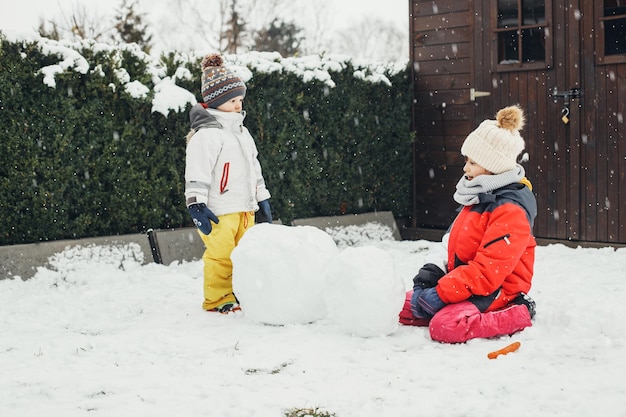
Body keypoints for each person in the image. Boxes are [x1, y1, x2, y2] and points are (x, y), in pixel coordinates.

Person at [399, 105, 537, 343]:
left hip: (497, 288)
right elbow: (450, 242)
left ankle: (519, 312)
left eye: (472, 162)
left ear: (493, 167)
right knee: (400, 306)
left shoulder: (510, 210)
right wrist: (429, 278)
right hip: (464, 281)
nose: (465, 168)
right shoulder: (477, 195)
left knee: (446, 326)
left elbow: (488, 271)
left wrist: (441, 294)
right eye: (466, 160)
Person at [184, 53, 272, 314]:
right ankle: (217, 298)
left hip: (245, 207)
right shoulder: (207, 135)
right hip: (219, 209)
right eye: (232, 100)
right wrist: (196, 204)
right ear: (216, 101)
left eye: (240, 100)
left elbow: (253, 168)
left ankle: (240, 293)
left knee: (245, 256)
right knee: (221, 256)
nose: (237, 105)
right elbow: (197, 172)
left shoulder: (243, 133)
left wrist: (262, 197)